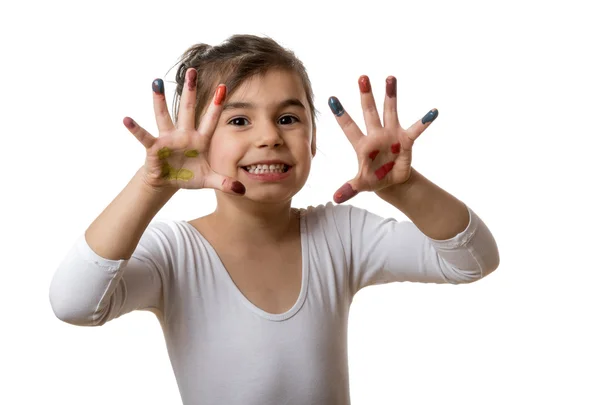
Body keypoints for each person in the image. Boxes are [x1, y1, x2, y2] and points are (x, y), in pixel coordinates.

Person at [49, 34, 500, 404]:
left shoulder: (340, 235)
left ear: (314, 142)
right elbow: (75, 303)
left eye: (287, 118)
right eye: (239, 121)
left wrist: (405, 187)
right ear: (199, 144)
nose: (269, 137)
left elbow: (472, 260)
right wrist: (152, 186)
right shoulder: (176, 254)